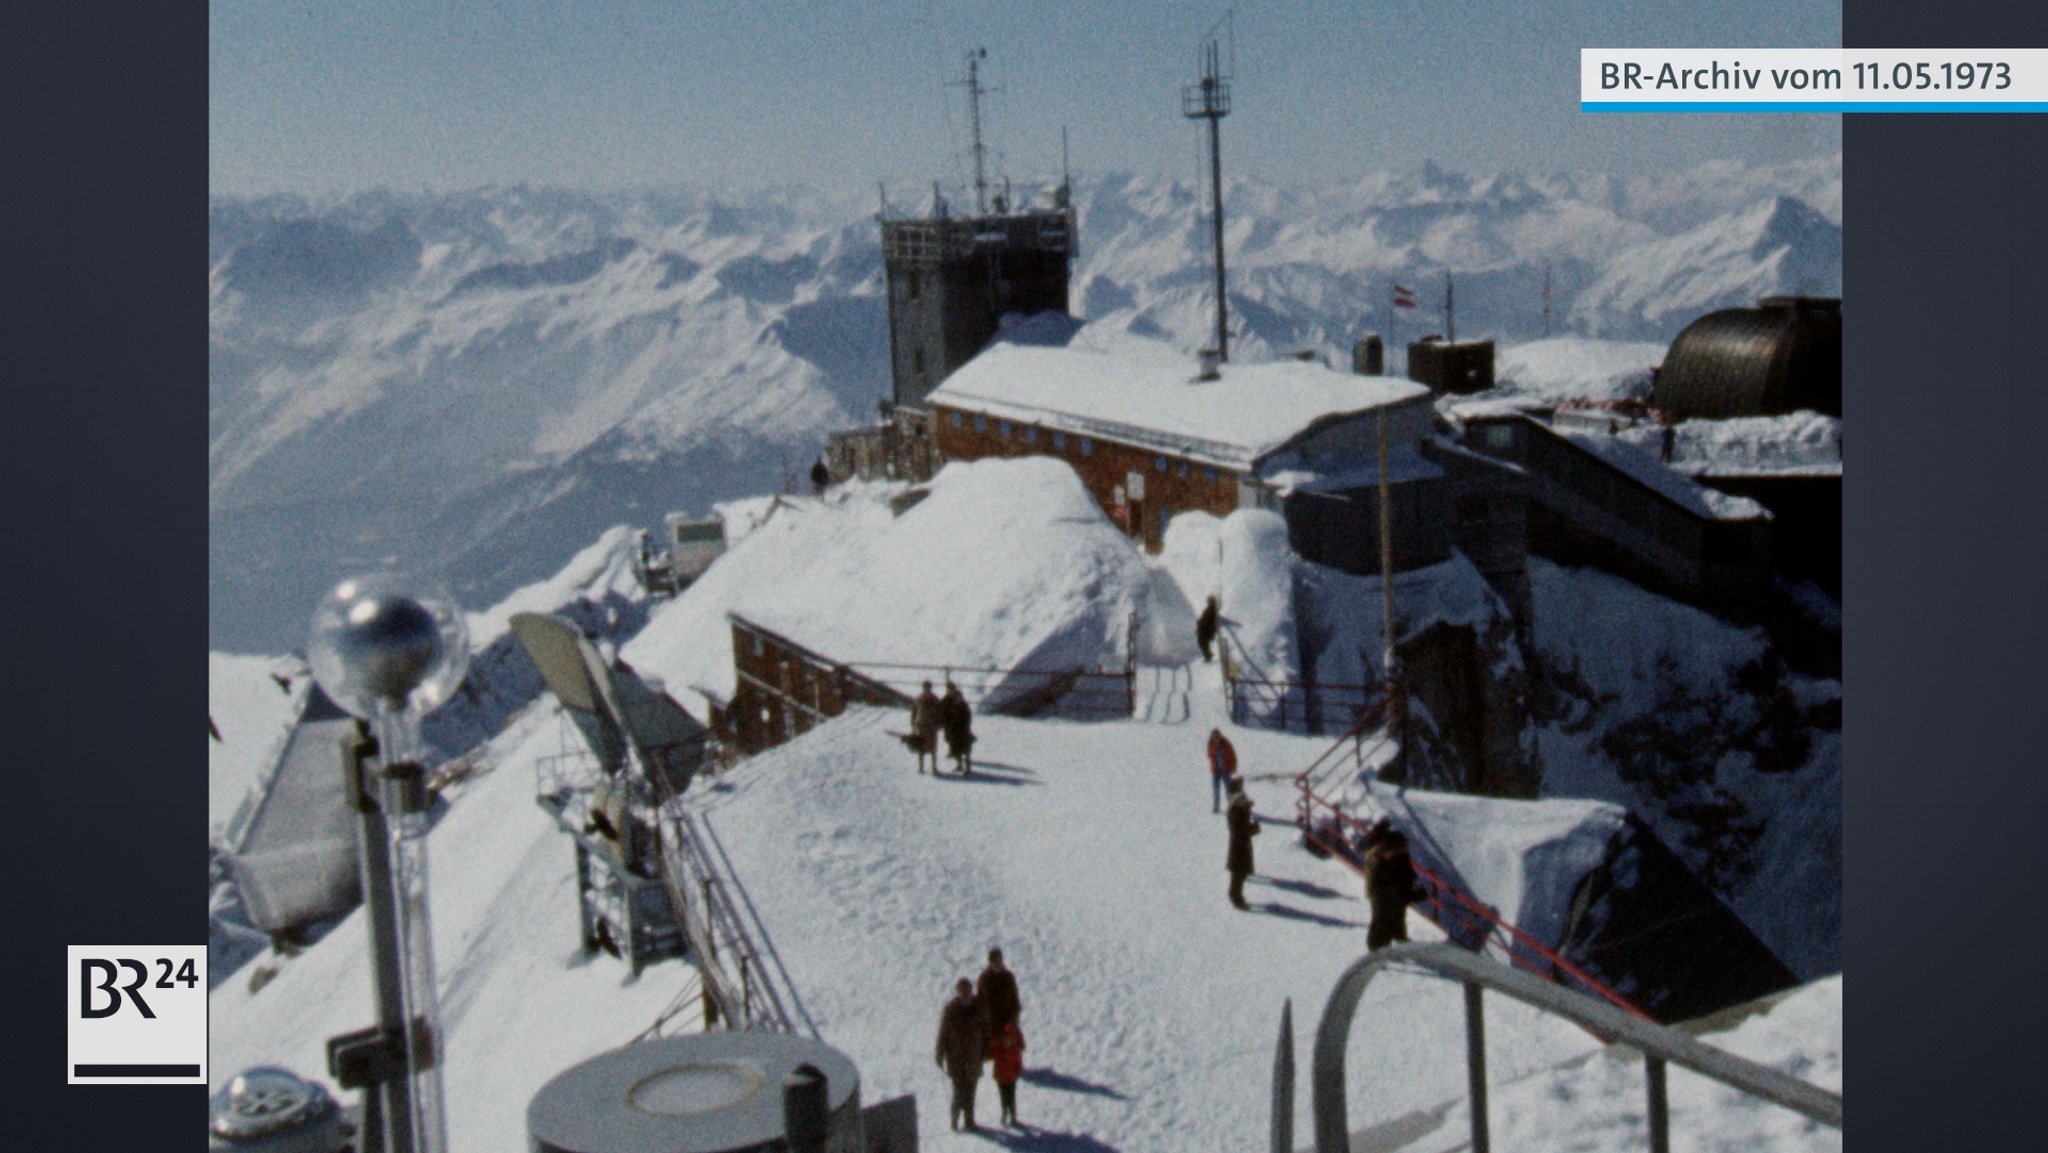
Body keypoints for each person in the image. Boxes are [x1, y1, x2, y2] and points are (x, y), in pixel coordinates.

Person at [935, 978, 988, 1131]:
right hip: (956, 1059)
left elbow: (986, 1033)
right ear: (958, 993)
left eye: (968, 992)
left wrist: (985, 1052)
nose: (966, 995)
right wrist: (939, 1054)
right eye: (962, 992)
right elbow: (943, 1034)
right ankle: (955, 1118)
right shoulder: (950, 1010)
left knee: (971, 1091)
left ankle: (969, 1121)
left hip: (973, 1057)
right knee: (958, 1091)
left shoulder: (979, 1008)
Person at [1364, 827, 1424, 951]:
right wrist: (1408, 895)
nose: (1402, 850)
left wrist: (1412, 891)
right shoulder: (1377, 863)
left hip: (1397, 898)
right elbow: (1376, 889)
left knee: (1397, 920)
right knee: (1382, 921)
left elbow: (1407, 875)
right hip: (1383, 899)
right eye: (1399, 849)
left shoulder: (1400, 857)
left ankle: (1399, 942)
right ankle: (1378, 949)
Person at [1225, 776, 1260, 910]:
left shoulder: (1238, 809)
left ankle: (1237, 896)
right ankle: (1236, 898)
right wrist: (1252, 829)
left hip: (1242, 847)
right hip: (1238, 848)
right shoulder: (1234, 812)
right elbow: (1238, 831)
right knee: (1237, 875)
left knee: (1241, 874)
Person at [988, 1020, 1025, 1127]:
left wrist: (1017, 1072)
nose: (1007, 1041)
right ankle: (1005, 1113)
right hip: (1001, 1078)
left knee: (1011, 1097)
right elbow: (992, 1052)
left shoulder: (1013, 1051)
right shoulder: (999, 1049)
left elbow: (1018, 1062)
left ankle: (1012, 1115)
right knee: (1004, 1097)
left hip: (1011, 1077)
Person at [976, 947, 1020, 1033]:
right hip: (990, 1025)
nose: (997, 964)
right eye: (994, 961)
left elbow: (1015, 1001)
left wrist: (1013, 1021)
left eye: (999, 960)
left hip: (1007, 1024)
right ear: (990, 963)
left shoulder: (1008, 977)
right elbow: (980, 1002)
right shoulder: (984, 979)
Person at [941, 680, 975, 774]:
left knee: (966, 750)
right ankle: (959, 765)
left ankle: (968, 768)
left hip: (962, 730)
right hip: (953, 730)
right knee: (956, 749)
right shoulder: (947, 700)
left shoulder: (962, 704)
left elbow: (967, 717)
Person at [910, 681, 941, 774]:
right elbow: (914, 712)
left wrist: (939, 724)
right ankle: (921, 767)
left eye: (928, 687)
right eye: (925, 687)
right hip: (921, 726)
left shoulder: (935, 699)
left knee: (933, 747)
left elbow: (940, 713)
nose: (927, 689)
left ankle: (934, 768)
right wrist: (913, 724)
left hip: (932, 727)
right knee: (921, 747)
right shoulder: (918, 699)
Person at [1205, 728, 1237, 813]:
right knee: (1216, 789)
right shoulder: (1211, 744)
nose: (1216, 739)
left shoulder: (1226, 743)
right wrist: (1215, 749)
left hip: (1226, 770)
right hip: (1216, 770)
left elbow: (1232, 755)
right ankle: (1216, 806)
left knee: (1228, 789)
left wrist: (1233, 767)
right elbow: (1209, 754)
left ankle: (1231, 806)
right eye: (1215, 737)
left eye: (1218, 737)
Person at [1196, 595, 1220, 663]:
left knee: (1202, 642)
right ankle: (1208, 655)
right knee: (1202, 643)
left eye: (1209, 601)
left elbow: (1208, 620)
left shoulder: (1212, 609)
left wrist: (1200, 622)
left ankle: (1208, 656)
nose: (1208, 602)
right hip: (1205, 630)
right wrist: (1200, 621)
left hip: (1207, 630)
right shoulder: (1210, 609)